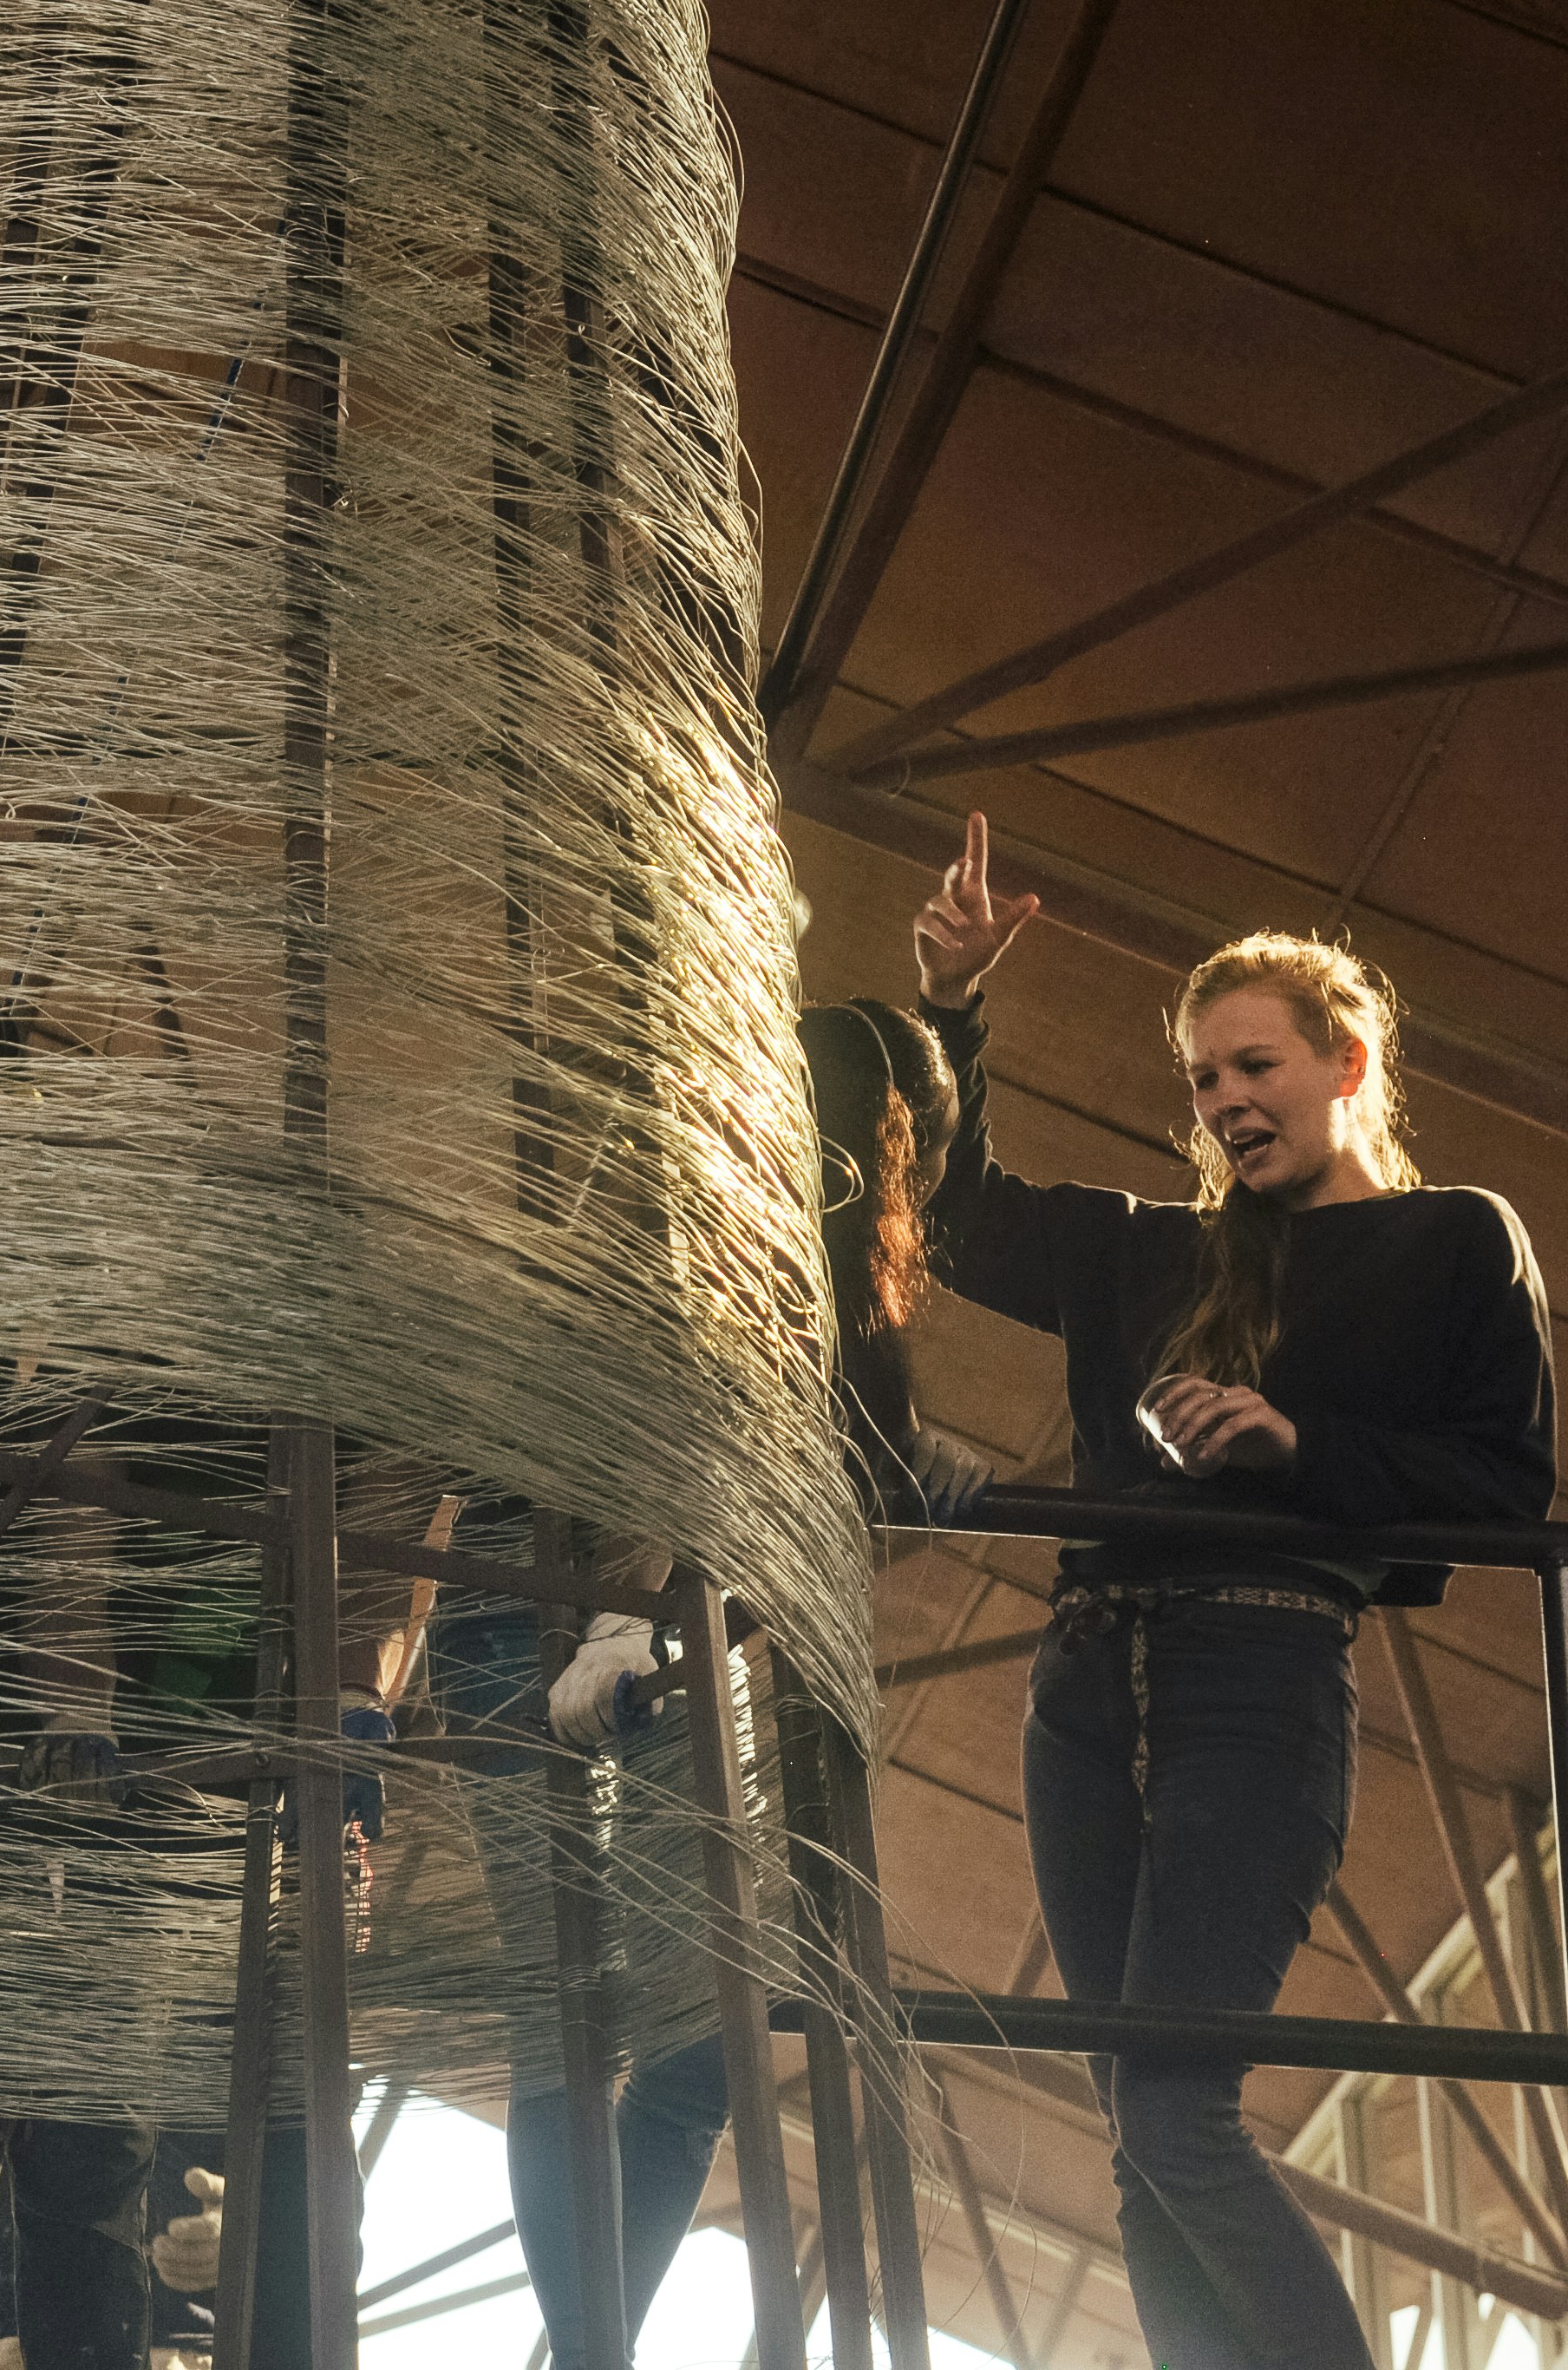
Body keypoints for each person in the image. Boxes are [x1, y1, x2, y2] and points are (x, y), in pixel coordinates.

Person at [911, 809, 1555, 2370]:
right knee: (1139, 2127)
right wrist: (950, 1014)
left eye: (1255, 1067)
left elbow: (1509, 1492)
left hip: (1257, 1683)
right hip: (1082, 1693)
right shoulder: (1150, 1255)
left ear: (1348, 1064)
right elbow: (952, 1215)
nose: (1224, 1102)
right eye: (1203, 1080)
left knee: (1177, 2104)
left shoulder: (1454, 1243)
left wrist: (1295, 1444)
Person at [472, 993, 984, 2354]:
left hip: (655, 1629)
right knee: (575, 2009)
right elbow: (652, 1413)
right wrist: (639, 1613)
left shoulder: (823, 1268)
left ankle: (584, 2357)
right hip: (539, 1602)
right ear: (889, 1150)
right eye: (924, 1164)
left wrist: (911, 1481)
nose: (926, 1197)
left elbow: (842, 1484)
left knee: (691, 2045)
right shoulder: (690, 1203)